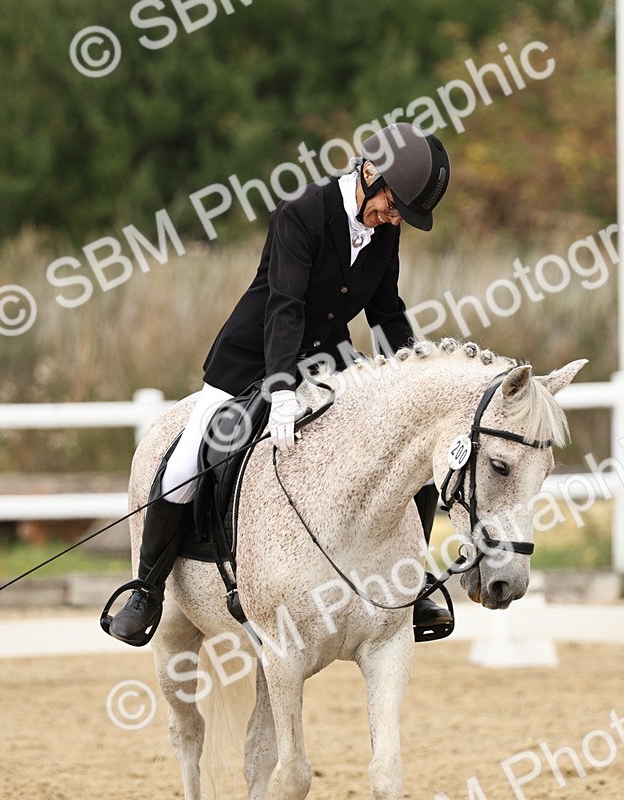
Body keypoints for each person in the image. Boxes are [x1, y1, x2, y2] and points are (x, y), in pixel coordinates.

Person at [108, 122, 452, 646]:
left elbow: (386, 313)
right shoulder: (302, 212)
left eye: (402, 212)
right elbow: (284, 305)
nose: (395, 216)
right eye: (393, 203)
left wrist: (412, 378)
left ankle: (413, 578)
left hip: (332, 356)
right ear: (368, 171)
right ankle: (147, 589)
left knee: (410, 448)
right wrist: (282, 388)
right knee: (190, 456)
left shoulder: (385, 228)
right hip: (252, 354)